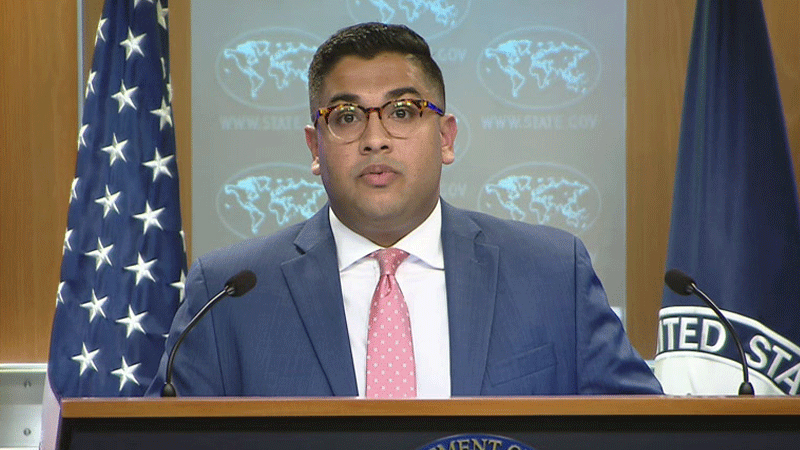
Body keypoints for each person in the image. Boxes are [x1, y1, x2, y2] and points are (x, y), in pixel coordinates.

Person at [148, 22, 662, 397]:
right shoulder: (227, 296)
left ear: (446, 137)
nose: (375, 139)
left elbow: (639, 431)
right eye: (346, 116)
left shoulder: (551, 274)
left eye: (402, 111)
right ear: (314, 147)